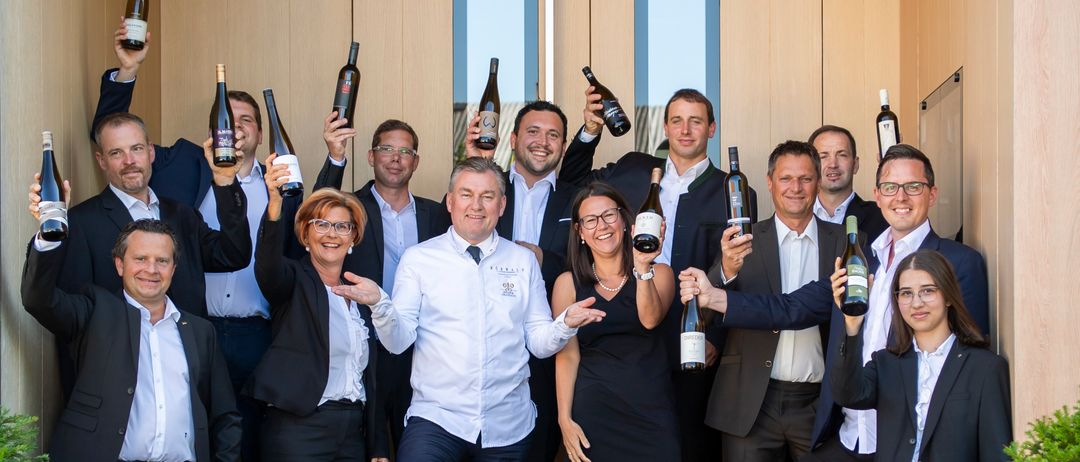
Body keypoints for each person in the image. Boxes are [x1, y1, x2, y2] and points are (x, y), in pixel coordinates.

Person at [679, 144, 990, 460]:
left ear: (932, 194)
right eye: (890, 187)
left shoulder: (958, 262)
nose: (900, 197)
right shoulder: (863, 259)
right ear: (877, 195)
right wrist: (714, 294)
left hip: (908, 430)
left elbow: (971, 362)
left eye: (913, 187)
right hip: (850, 432)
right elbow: (793, 308)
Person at [91, 22, 303, 458]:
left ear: (259, 133)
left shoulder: (283, 181)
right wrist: (126, 73)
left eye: (247, 121)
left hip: (256, 332)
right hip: (189, 324)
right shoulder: (182, 162)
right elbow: (116, 141)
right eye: (229, 120)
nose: (237, 128)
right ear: (214, 130)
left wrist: (335, 158)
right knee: (190, 423)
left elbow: (302, 241)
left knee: (252, 432)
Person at [334, 157, 606, 461]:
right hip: (437, 420)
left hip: (508, 425)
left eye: (487, 196)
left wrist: (565, 323)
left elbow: (538, 343)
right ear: (450, 202)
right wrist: (379, 304)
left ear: (501, 205)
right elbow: (398, 341)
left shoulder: (522, 260)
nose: (476, 205)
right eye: (466, 195)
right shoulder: (419, 259)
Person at [560, 87, 758, 461]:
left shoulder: (729, 188)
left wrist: (715, 332)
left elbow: (738, 266)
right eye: (677, 121)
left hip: (692, 331)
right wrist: (590, 129)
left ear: (711, 129)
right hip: (630, 327)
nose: (685, 130)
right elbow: (572, 180)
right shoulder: (634, 169)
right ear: (665, 127)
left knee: (688, 442)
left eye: (696, 121)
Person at [23, 186, 240, 461]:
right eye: (140, 259)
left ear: (173, 268)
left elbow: (225, 417)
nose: (151, 269)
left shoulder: (200, 331)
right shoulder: (94, 311)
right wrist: (49, 232)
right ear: (119, 265)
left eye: (162, 261)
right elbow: (38, 299)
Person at [704, 141, 847, 461]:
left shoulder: (844, 243)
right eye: (785, 178)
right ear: (769, 182)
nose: (795, 188)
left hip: (819, 403)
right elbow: (704, 311)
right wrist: (726, 269)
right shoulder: (741, 240)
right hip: (751, 402)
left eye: (805, 179)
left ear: (818, 181)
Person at [314, 117, 450, 451]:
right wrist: (334, 156)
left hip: (420, 348)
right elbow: (318, 208)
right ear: (371, 156)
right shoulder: (350, 207)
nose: (395, 158)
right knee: (366, 444)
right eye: (386, 149)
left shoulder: (435, 215)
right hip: (362, 345)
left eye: (405, 151)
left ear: (415, 162)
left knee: (416, 440)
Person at [464, 101, 583, 462]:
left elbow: (589, 263)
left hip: (553, 342)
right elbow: (449, 231)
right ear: (513, 138)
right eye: (533, 131)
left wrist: (544, 260)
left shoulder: (576, 198)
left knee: (542, 445)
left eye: (553, 135)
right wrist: (474, 165)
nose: (542, 141)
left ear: (563, 147)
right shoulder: (488, 189)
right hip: (486, 339)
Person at [246, 167, 389, 461]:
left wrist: (378, 446)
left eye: (342, 226)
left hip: (351, 435)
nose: (332, 234)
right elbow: (268, 266)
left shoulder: (360, 294)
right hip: (298, 431)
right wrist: (274, 205)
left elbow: (370, 379)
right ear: (306, 235)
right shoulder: (293, 279)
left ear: (353, 239)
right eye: (321, 224)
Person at [828, 250, 1011, 461]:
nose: (916, 303)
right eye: (906, 293)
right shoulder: (886, 364)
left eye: (928, 291)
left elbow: (998, 454)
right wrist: (852, 321)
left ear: (948, 296)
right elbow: (846, 393)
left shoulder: (985, 368)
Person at [553, 182, 679, 461]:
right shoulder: (567, 284)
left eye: (609, 215)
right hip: (594, 412)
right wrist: (564, 419)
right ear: (579, 231)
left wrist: (642, 266)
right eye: (590, 220)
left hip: (651, 410)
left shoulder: (661, 274)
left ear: (624, 220)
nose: (602, 226)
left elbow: (649, 320)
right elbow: (567, 356)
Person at [808, 125, 887, 239]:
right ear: (811, 167)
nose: (833, 164)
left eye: (842, 155)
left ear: (855, 164)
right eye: (823, 156)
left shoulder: (882, 217)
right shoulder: (796, 216)